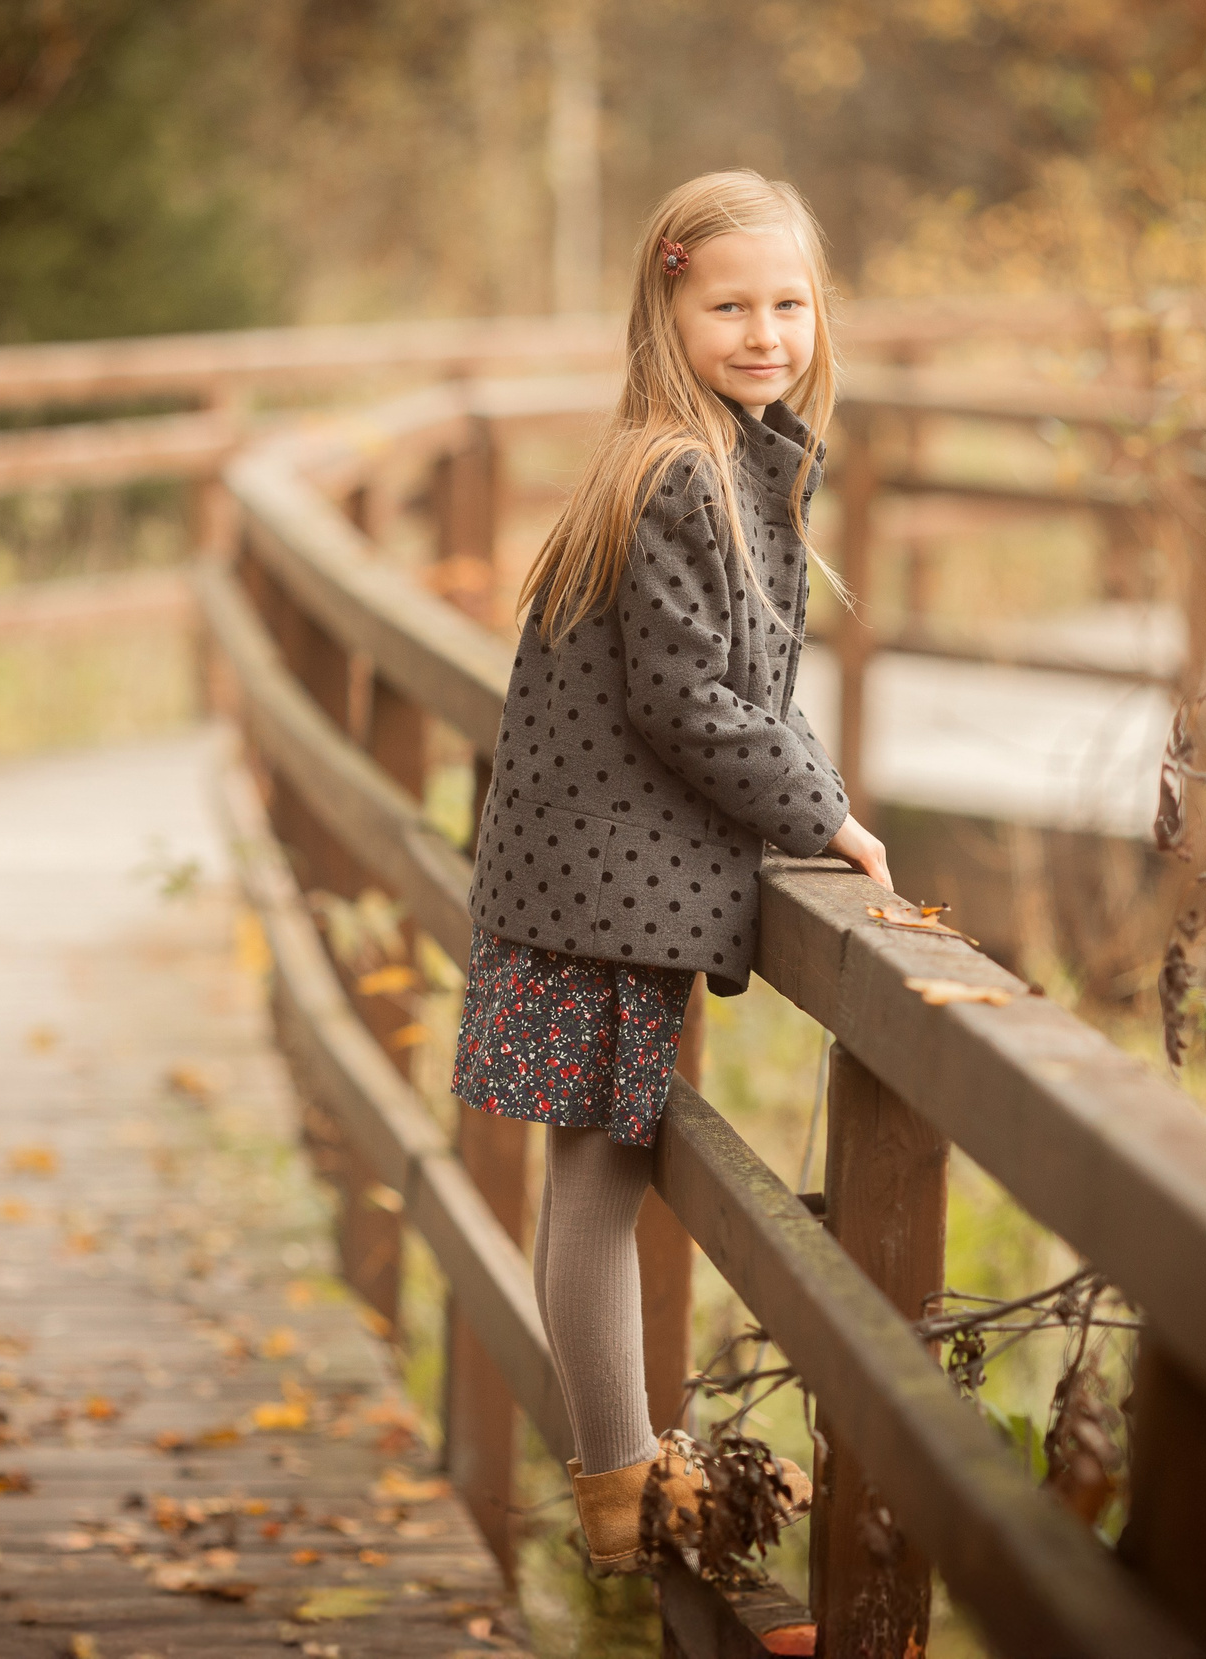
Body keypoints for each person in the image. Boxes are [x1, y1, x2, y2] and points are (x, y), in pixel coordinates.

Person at [451, 169, 892, 1575]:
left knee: (603, 1165)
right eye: (732, 306)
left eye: (789, 303)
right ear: (670, 306)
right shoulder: (684, 476)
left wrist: (812, 791)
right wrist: (823, 813)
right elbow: (690, 701)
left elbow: (746, 678)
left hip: (589, 881)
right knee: (597, 1175)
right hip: (601, 892)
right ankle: (619, 1481)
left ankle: (621, 1468)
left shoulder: (719, 455)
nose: (766, 331)